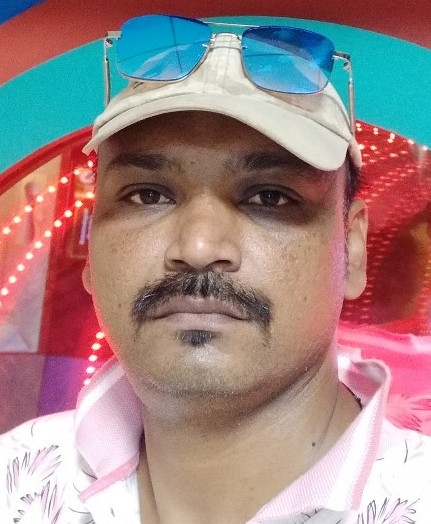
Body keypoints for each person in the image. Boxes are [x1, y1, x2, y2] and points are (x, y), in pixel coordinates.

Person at [1, 14, 431, 524]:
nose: (199, 246)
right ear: (92, 246)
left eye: (269, 197)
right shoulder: (17, 480)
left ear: (353, 249)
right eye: (147, 194)